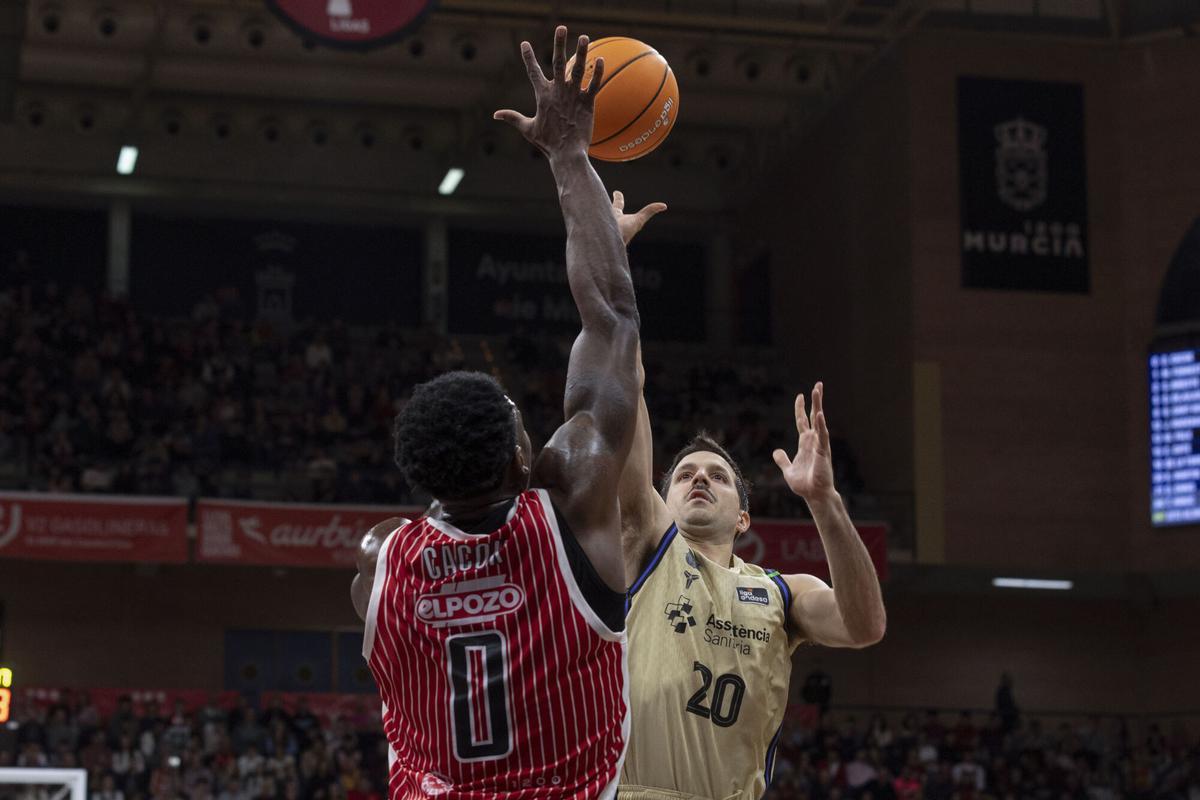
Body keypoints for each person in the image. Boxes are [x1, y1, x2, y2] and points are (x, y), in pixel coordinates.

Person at [352, 26, 643, 800]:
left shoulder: (380, 561)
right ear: (524, 456)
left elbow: (442, 517)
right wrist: (569, 156)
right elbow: (612, 316)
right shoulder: (574, 497)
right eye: (520, 422)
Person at [618, 381, 888, 800]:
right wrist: (623, 323)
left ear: (743, 519)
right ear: (664, 505)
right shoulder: (643, 554)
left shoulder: (781, 592)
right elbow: (626, 408)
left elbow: (865, 626)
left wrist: (824, 500)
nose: (700, 478)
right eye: (685, 475)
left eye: (718, 477)